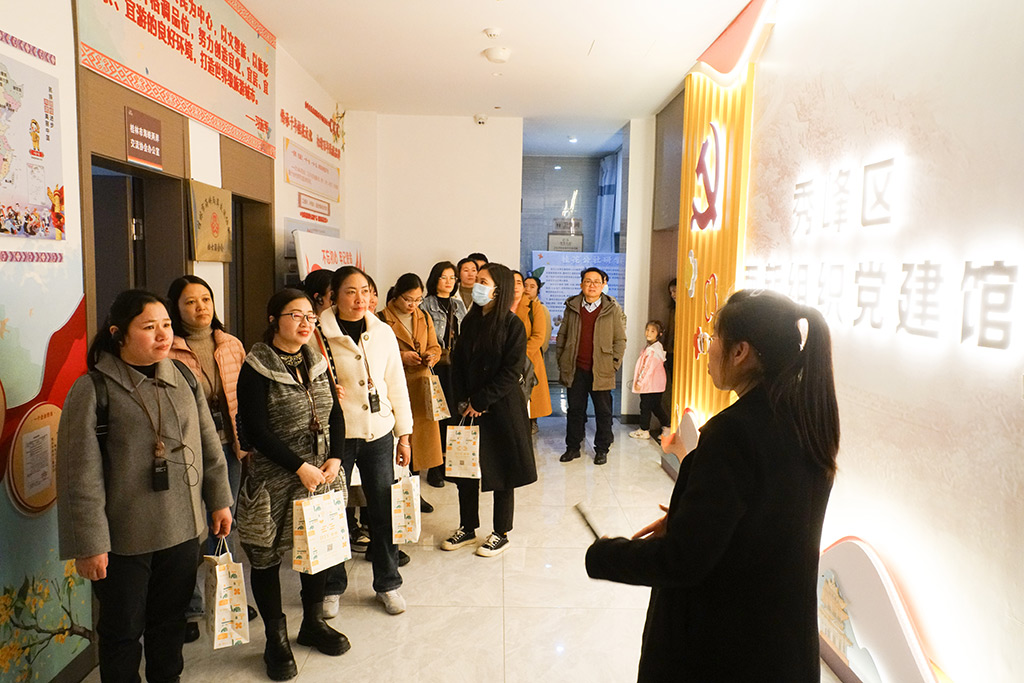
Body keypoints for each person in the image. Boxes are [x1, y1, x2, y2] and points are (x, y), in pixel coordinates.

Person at [585, 289, 840, 682]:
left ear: (740, 352)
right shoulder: (807, 422)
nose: (707, 349)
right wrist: (692, 516)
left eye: (713, 338)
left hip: (722, 650)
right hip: (783, 648)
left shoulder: (733, 433)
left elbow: (683, 561)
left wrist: (604, 555)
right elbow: (769, 522)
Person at [57, 289, 233, 683]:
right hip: (124, 541)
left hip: (182, 530)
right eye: (149, 327)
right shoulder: (93, 389)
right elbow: (79, 476)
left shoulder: (183, 376)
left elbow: (209, 445)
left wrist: (220, 500)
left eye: (166, 325)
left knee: (170, 627)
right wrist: (90, 544)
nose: (163, 334)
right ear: (118, 333)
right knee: (121, 634)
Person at [236, 289, 349, 680]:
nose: (306, 323)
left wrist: (337, 456)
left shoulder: (316, 360)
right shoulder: (256, 366)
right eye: (296, 315)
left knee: (315, 548)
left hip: (319, 474)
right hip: (275, 477)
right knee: (266, 555)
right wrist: (299, 466)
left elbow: (335, 413)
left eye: (310, 317)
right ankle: (275, 638)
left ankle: (312, 623)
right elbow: (256, 429)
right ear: (274, 319)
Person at [316, 266, 413, 616]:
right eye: (350, 291)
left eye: (366, 291)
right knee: (333, 512)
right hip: (337, 438)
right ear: (334, 297)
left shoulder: (382, 331)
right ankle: (332, 586)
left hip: (379, 433)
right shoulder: (318, 333)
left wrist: (404, 434)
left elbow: (395, 383)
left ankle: (388, 582)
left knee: (383, 510)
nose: (360, 299)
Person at [166, 275, 251, 641]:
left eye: (206, 299)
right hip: (185, 454)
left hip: (227, 448)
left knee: (224, 524)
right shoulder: (167, 349)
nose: (200, 307)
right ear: (176, 308)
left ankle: (226, 598)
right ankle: (188, 605)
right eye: (190, 302)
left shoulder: (230, 344)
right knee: (188, 530)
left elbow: (246, 395)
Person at [441, 263, 537, 558]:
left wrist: (480, 401)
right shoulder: (470, 320)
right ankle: (467, 527)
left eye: (484, 282)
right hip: (467, 408)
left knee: (502, 471)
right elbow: (457, 365)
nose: (477, 286)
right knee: (465, 469)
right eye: (478, 281)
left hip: (501, 408)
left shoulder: (512, 325)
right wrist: (462, 401)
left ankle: (501, 532)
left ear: (499, 290)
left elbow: (511, 372)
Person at [380, 273, 443, 512]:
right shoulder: (381, 319)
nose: (413, 305)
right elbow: (377, 352)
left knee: (418, 445)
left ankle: (414, 494)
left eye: (418, 300)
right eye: (408, 299)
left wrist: (432, 356)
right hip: (396, 386)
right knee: (398, 442)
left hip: (421, 385)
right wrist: (401, 356)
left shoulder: (423, 316)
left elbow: (435, 345)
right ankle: (398, 494)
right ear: (396, 294)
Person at [555, 267, 626, 465]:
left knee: (603, 412)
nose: (592, 285)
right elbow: (562, 335)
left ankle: (602, 449)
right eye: (588, 281)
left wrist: (613, 364)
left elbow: (620, 339)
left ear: (603, 284)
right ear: (581, 284)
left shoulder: (612, 308)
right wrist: (562, 359)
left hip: (602, 369)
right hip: (576, 368)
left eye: (596, 281)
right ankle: (573, 448)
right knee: (575, 410)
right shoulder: (572, 306)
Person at [419, 260, 468, 488]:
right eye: (444, 277)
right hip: (436, 366)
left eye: (452, 278)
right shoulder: (425, 304)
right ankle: (434, 468)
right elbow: (423, 338)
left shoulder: (459, 305)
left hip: (457, 368)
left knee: (453, 416)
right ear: (434, 279)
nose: (449, 282)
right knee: (436, 417)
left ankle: (449, 465)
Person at [511, 271, 552, 429]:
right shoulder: (499, 306)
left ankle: (529, 425)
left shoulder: (534, 307)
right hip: (504, 362)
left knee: (528, 399)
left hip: (528, 361)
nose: (516, 286)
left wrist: (518, 355)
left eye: (519, 283)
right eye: (512, 282)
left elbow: (538, 336)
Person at [629, 320, 670, 443]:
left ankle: (644, 429)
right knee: (655, 406)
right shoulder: (652, 347)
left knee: (645, 406)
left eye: (652, 331)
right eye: (647, 330)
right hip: (654, 385)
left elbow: (647, 369)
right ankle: (667, 426)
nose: (648, 333)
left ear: (659, 334)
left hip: (651, 385)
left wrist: (639, 383)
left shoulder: (653, 351)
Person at [523, 275, 552, 354]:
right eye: (525, 286)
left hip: (533, 354)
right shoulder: (517, 307)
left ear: (538, 290)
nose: (527, 289)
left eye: (532, 287)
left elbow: (545, 337)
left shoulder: (541, 309)